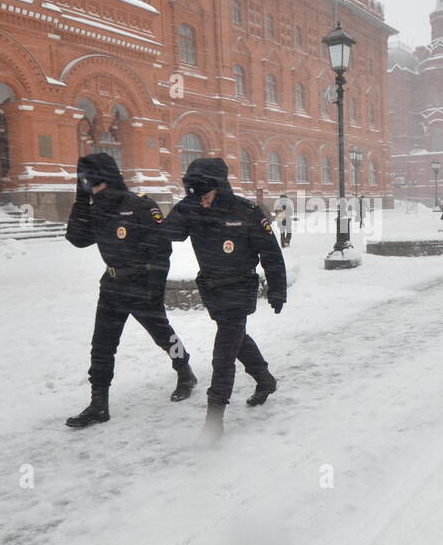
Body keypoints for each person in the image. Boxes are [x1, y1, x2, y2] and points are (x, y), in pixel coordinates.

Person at [64, 153, 196, 428]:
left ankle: (184, 371)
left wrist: (154, 289)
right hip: (111, 285)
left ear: (107, 179)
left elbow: (162, 250)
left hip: (141, 284)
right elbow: (77, 239)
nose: (91, 189)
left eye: (93, 183)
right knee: (102, 346)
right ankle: (99, 403)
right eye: (87, 185)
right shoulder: (94, 208)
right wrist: (80, 201)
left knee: (163, 335)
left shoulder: (139, 205)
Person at [165, 157, 286, 445]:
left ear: (219, 187)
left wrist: (277, 289)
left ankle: (215, 415)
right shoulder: (193, 209)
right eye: (197, 194)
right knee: (237, 340)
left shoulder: (246, 212)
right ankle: (265, 379)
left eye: (206, 194)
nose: (203, 201)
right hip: (212, 290)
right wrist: (188, 205)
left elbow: (271, 253)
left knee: (223, 354)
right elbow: (169, 233)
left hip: (240, 289)